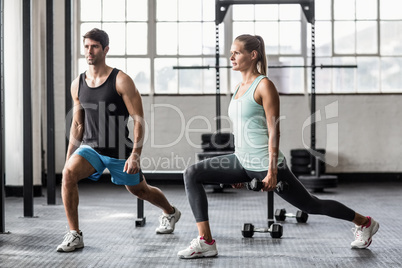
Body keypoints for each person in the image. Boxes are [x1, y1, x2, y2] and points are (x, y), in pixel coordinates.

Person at [177, 34, 379, 259]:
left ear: (252, 55)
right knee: (192, 173)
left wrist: (272, 171)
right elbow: (242, 131)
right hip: (241, 160)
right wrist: (235, 172)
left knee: (312, 205)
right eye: (231, 52)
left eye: (237, 52)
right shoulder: (237, 88)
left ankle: (365, 222)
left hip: (266, 162)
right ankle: (206, 241)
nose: (231, 56)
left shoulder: (264, 85)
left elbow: (274, 131)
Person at [57, 28, 181, 252]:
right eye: (86, 46)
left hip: (119, 151)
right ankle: (74, 234)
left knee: (141, 191)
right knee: (68, 174)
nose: (89, 51)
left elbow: (138, 121)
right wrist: (68, 158)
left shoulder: (121, 80)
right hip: (91, 148)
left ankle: (170, 212)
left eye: (94, 46)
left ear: (105, 49)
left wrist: (135, 155)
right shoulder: (78, 84)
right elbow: (77, 124)